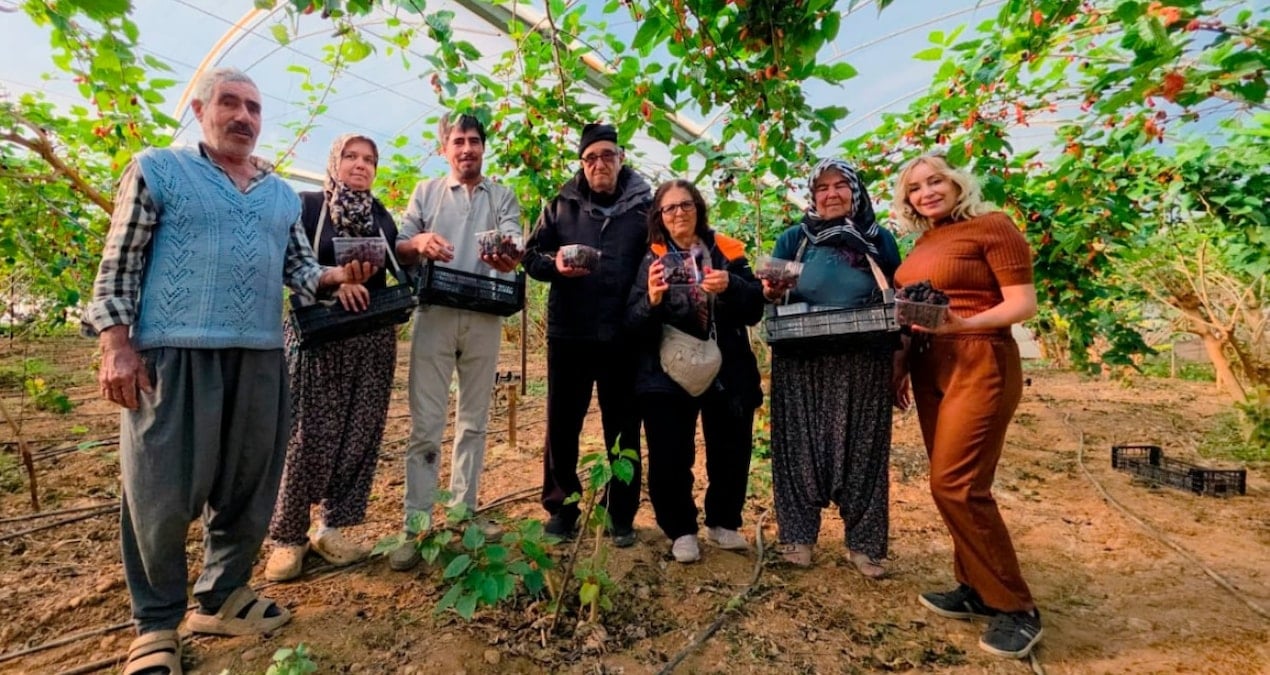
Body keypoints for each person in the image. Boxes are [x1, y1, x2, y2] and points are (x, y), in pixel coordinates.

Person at [86, 67, 370, 675]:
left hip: (261, 354)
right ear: (199, 110)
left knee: (249, 483)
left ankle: (223, 594)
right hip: (174, 352)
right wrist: (116, 345)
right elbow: (120, 263)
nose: (244, 117)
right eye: (231, 104)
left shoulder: (276, 193)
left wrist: (338, 276)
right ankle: (156, 625)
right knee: (160, 494)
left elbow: (299, 269)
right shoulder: (159, 169)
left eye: (254, 108)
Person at [891, 154, 1042, 659]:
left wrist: (963, 326)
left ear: (958, 181)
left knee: (956, 485)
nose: (927, 192)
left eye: (936, 181)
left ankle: (1016, 607)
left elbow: (1022, 303)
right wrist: (903, 365)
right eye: (915, 188)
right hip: (931, 363)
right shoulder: (925, 241)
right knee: (952, 481)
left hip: (980, 359)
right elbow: (917, 311)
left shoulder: (992, 226)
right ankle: (975, 587)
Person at [389, 113, 522, 571]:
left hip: (485, 314)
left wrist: (509, 256)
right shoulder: (426, 193)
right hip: (436, 313)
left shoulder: (501, 195)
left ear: (484, 148)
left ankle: (463, 516)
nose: (467, 149)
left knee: (474, 421)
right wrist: (420, 242)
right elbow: (401, 245)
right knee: (425, 422)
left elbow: (515, 243)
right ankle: (417, 524)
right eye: (459, 141)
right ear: (445, 148)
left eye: (475, 141)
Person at [263, 134, 399, 582]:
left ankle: (332, 527)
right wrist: (335, 283)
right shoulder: (307, 208)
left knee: (359, 434)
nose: (361, 165)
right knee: (305, 436)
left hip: (371, 340)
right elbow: (289, 268)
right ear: (333, 160)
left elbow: (394, 268)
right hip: (319, 339)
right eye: (351, 156)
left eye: (370, 159)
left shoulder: (381, 217)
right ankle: (287, 537)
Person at [762, 158, 900, 578]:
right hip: (801, 357)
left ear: (856, 191)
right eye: (822, 188)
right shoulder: (795, 239)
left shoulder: (878, 241)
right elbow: (772, 289)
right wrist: (770, 286)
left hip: (865, 357)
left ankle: (864, 546)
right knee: (797, 446)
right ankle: (798, 537)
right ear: (813, 195)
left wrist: (901, 363)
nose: (831, 194)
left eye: (841, 185)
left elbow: (898, 293)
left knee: (864, 449)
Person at [523, 123, 651, 544]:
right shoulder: (561, 205)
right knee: (562, 425)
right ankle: (561, 507)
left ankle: (620, 513)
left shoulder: (644, 209)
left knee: (623, 426)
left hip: (624, 334)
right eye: (591, 157)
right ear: (582, 163)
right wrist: (554, 266)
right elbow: (532, 255)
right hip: (570, 333)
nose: (600, 164)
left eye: (607, 155)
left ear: (621, 158)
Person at [625, 180, 764, 563]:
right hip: (665, 369)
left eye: (685, 205)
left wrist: (731, 286)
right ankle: (680, 528)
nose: (679, 213)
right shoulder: (651, 259)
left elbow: (755, 306)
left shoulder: (727, 250)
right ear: (660, 218)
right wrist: (652, 300)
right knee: (670, 451)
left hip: (727, 364)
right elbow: (633, 324)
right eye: (669, 209)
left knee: (731, 446)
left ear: (698, 208)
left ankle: (723, 522)